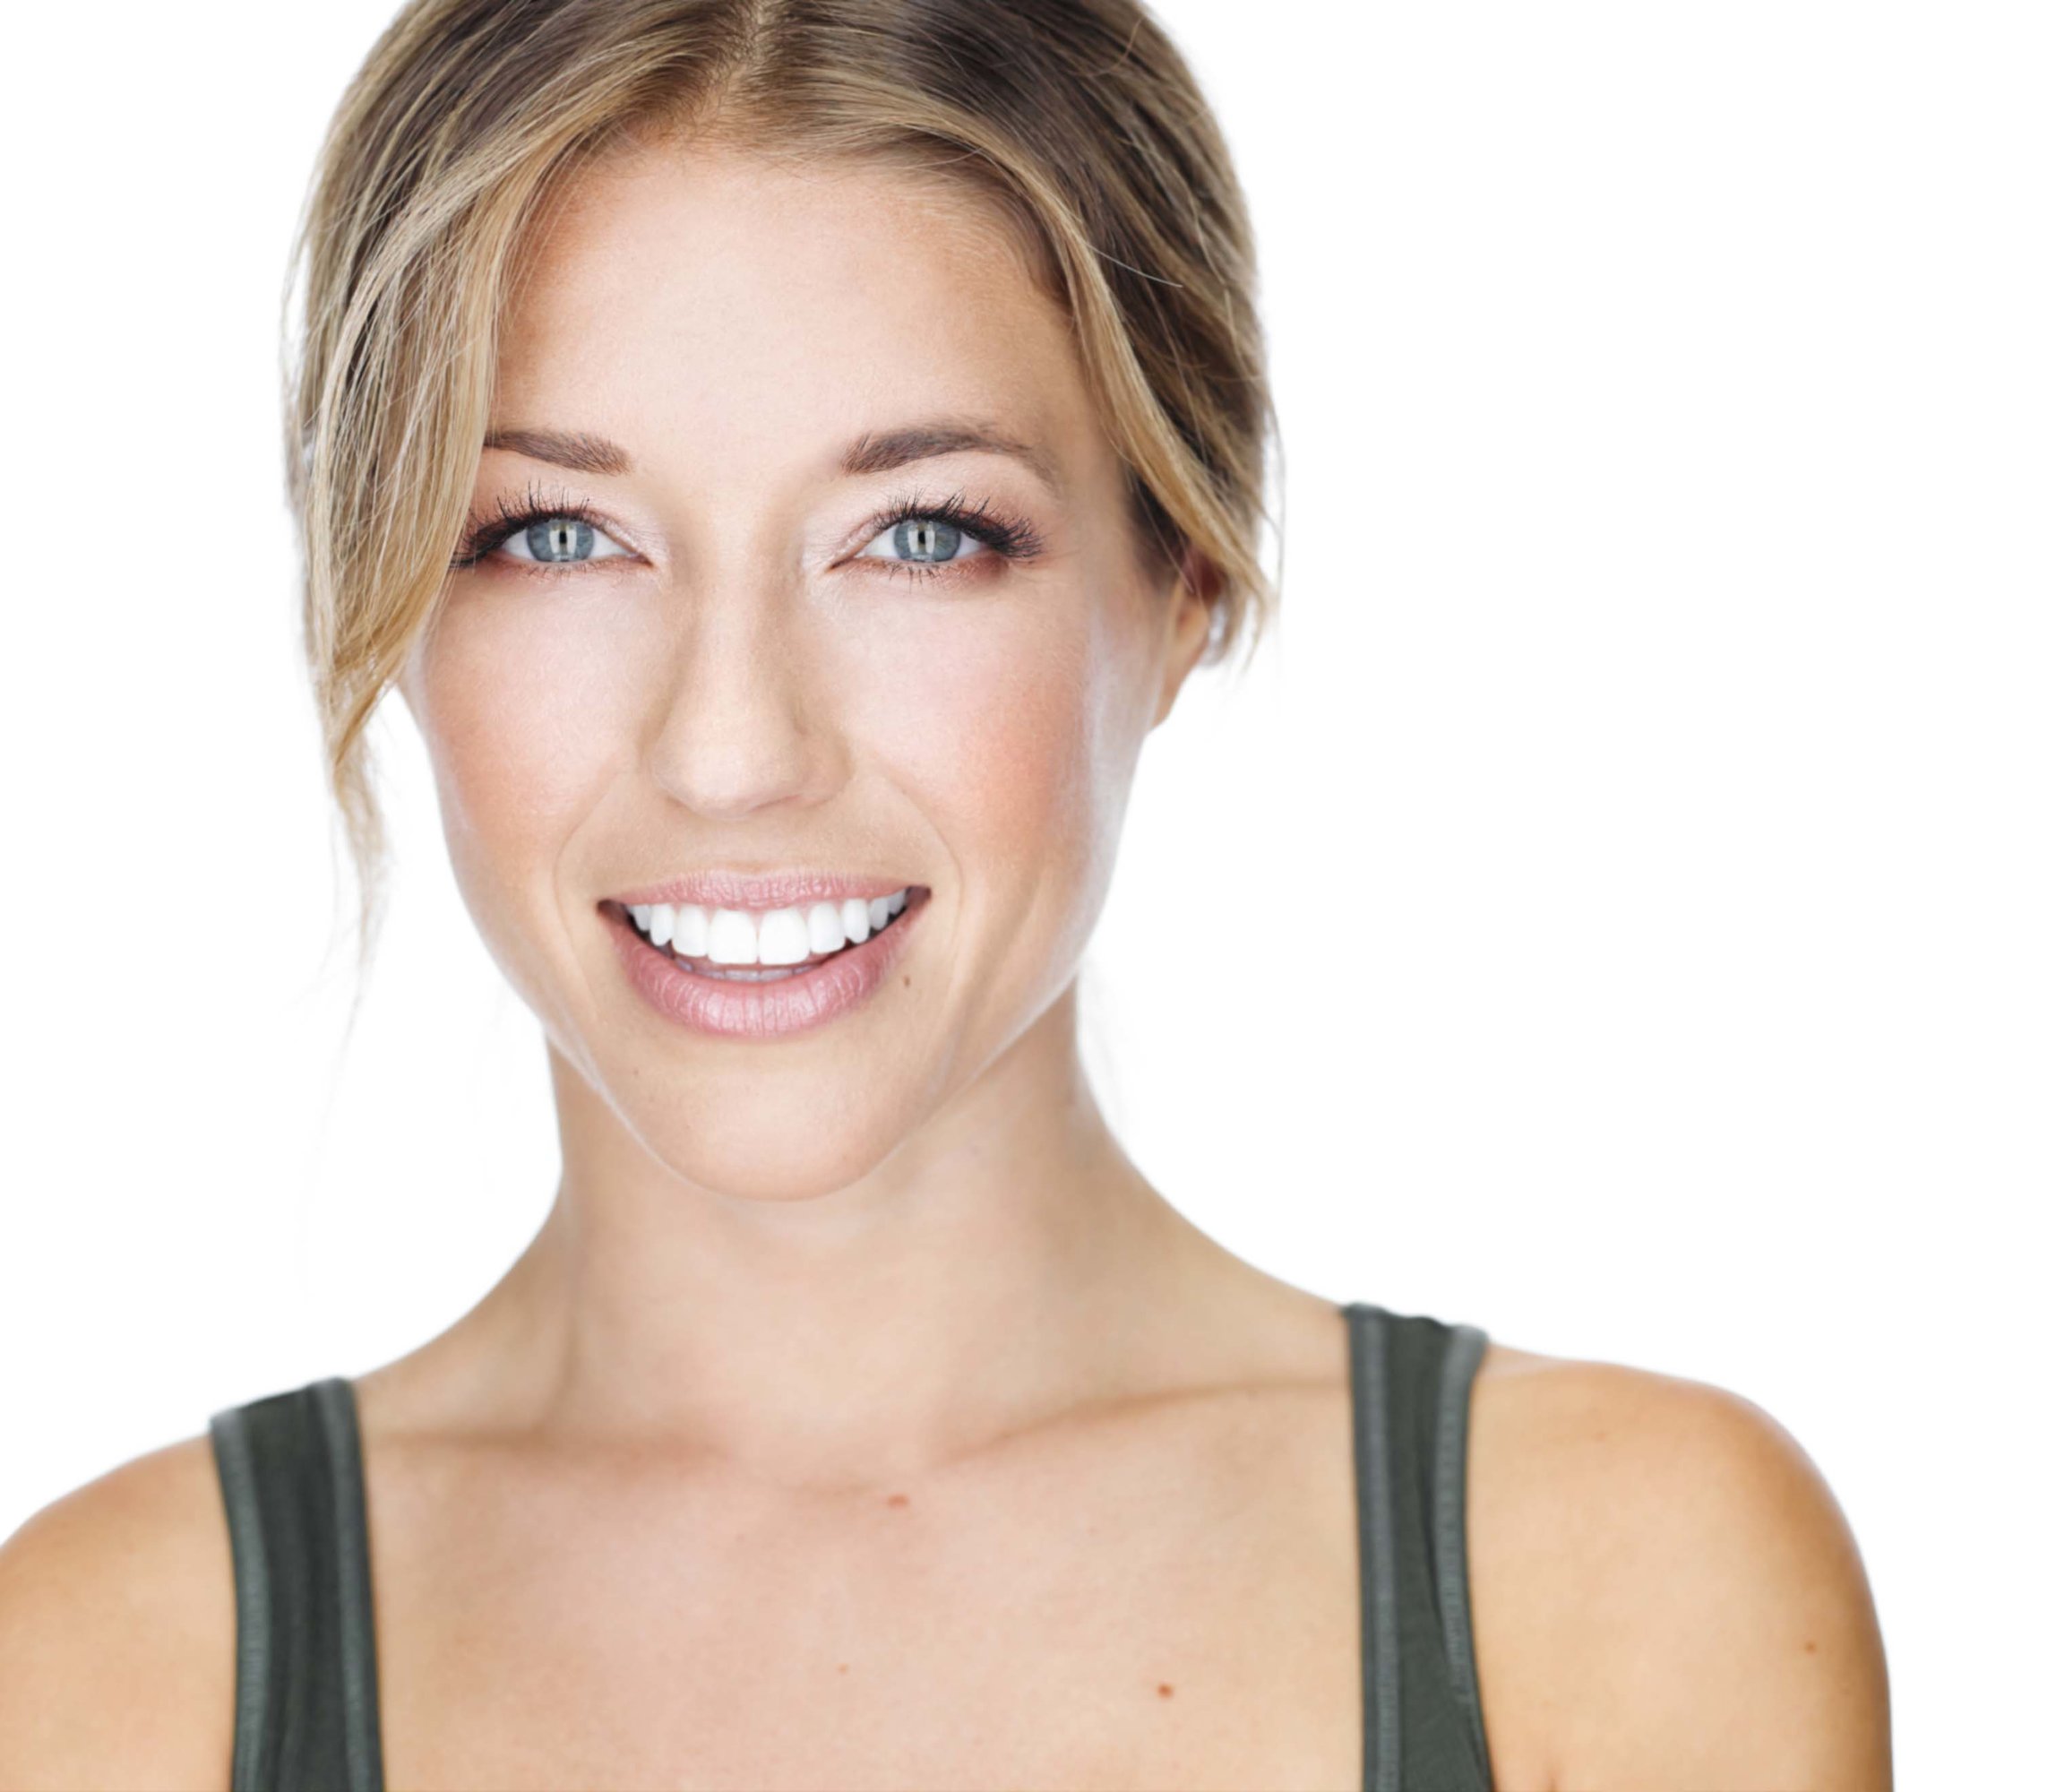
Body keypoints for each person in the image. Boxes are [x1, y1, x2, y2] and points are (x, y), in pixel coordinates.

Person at [0, 1, 1891, 1786]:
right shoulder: (105, 1680)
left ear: (1180, 579)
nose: (730, 747)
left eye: (918, 535)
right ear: (392, 591)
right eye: (558, 534)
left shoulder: (1611, 1596)